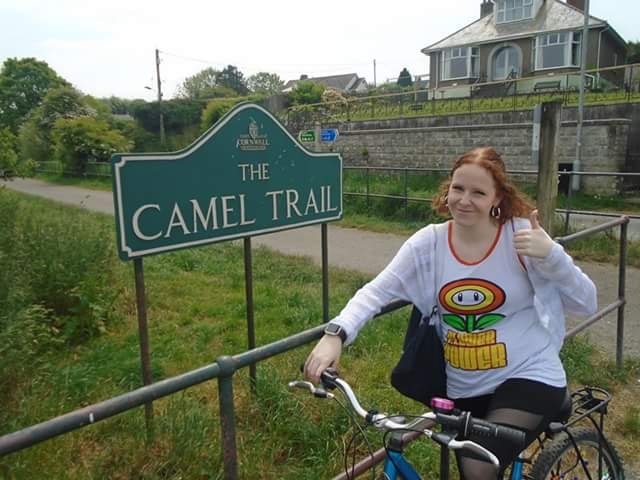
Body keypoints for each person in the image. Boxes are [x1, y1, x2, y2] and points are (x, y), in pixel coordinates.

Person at [304, 147, 597, 480]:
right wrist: (335, 334)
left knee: (477, 466)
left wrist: (552, 256)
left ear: (497, 197)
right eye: (458, 188)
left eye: (478, 192)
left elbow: (586, 303)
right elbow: (375, 292)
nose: (464, 200)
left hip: (528, 374)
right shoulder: (428, 244)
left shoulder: (520, 236)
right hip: (463, 387)